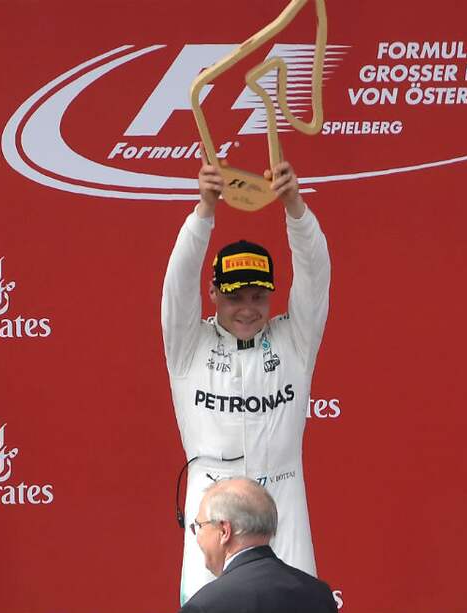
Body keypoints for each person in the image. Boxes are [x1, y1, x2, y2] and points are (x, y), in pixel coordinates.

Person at [162, 158, 330, 604]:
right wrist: (204, 212)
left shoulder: (294, 340)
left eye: (258, 296)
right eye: (234, 296)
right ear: (213, 293)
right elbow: (177, 283)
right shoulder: (187, 344)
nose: (247, 308)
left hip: (284, 498)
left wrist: (295, 207)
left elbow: (314, 273)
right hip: (212, 506)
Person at [180, 477, 337, 613]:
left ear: (224, 531)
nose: (197, 537)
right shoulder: (318, 594)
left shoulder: (203, 607)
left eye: (199, 526)